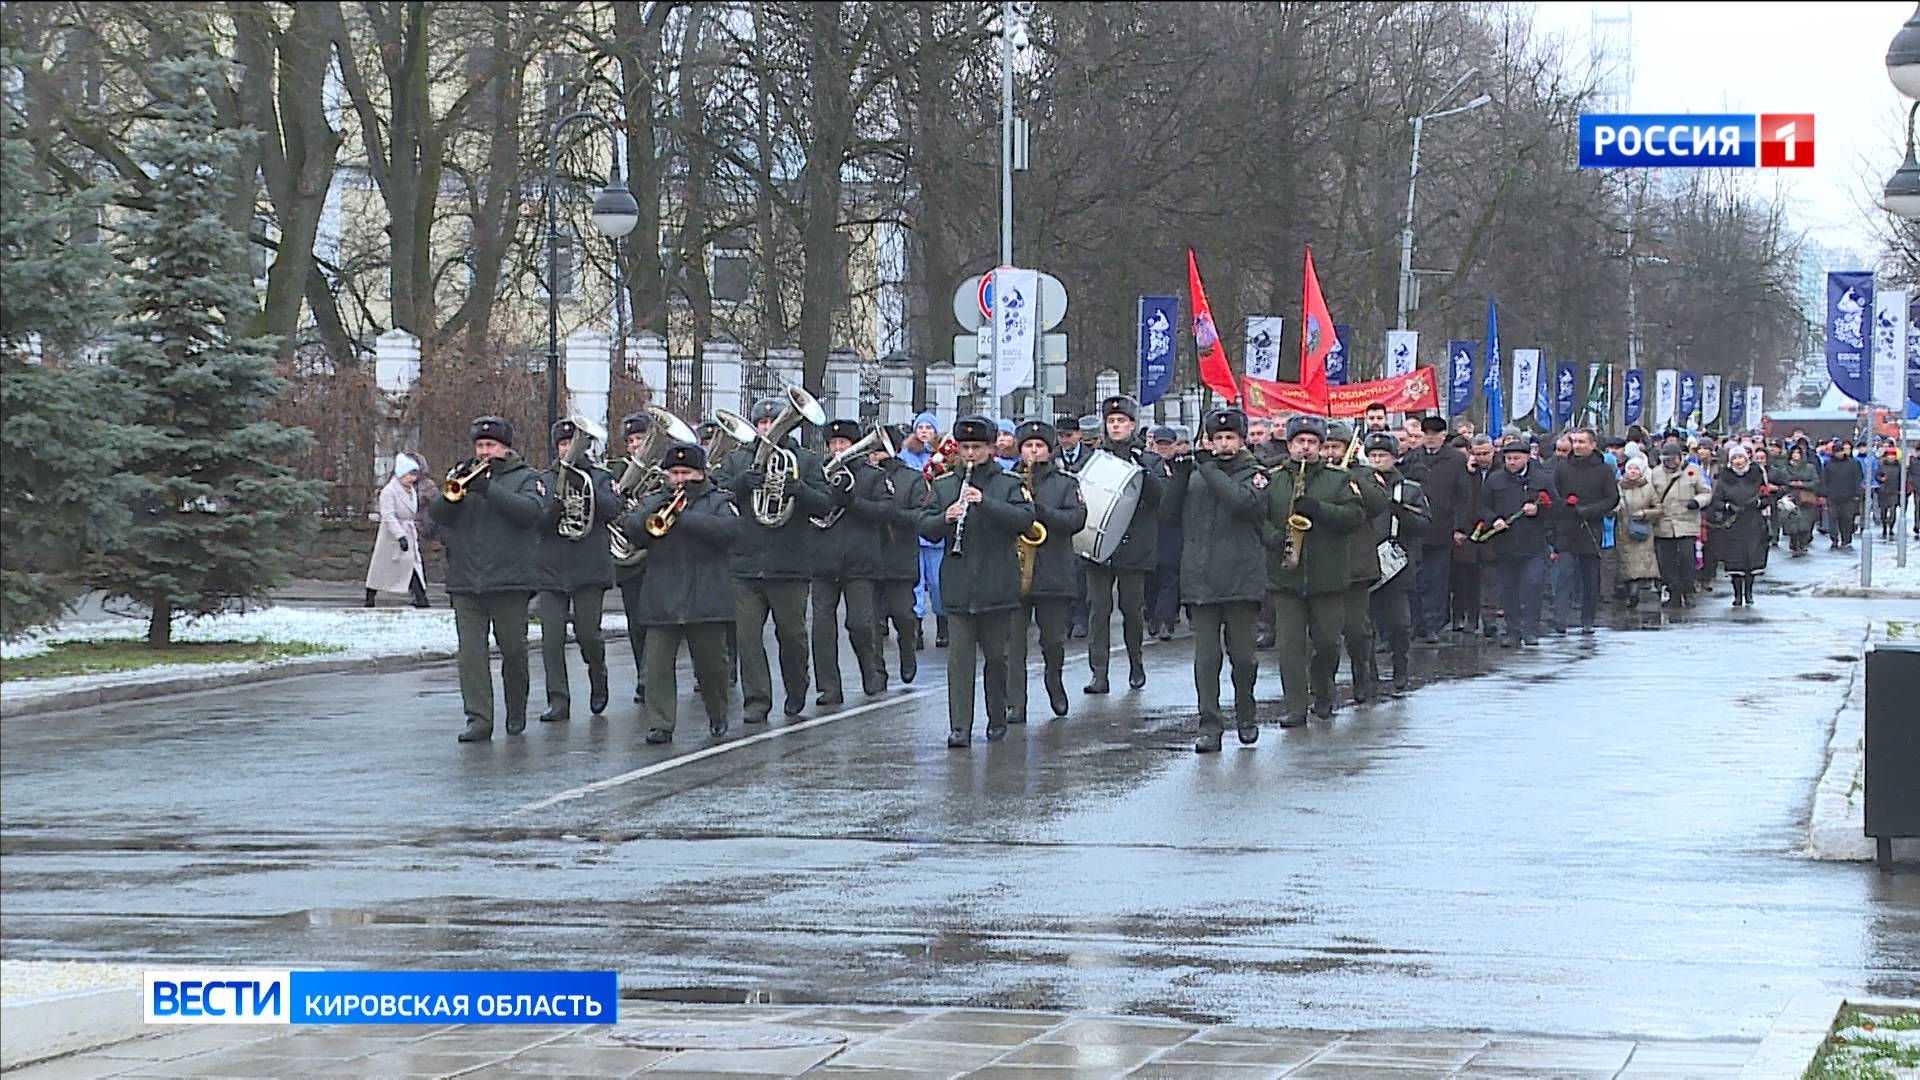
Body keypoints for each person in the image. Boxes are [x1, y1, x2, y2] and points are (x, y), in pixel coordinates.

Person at [714, 397, 834, 723]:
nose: (768, 428)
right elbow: (716, 497)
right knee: (748, 637)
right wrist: (741, 484)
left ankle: (797, 687)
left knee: (792, 636)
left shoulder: (806, 461)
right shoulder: (738, 460)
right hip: (745, 562)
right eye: (763, 423)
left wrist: (799, 489)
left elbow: (825, 505)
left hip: (789, 564)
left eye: (774, 422)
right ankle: (757, 700)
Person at [917, 416, 1035, 747]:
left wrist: (985, 502)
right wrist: (945, 517)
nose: (970, 454)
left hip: (997, 583)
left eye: (977, 448)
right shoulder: (942, 486)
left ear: (990, 449)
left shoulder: (1008, 484)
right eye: (965, 448)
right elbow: (923, 525)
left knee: (997, 658)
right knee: (960, 662)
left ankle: (997, 716)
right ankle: (959, 727)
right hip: (957, 584)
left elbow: (1025, 520)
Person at [428, 416, 546, 742]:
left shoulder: (527, 478)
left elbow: (530, 513)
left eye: (490, 446)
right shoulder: (462, 473)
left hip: (509, 580)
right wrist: (457, 491)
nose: (484, 452)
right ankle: (478, 719)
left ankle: (516, 708)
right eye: (480, 446)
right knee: (471, 653)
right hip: (466, 579)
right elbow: (437, 515)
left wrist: (489, 489)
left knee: (513, 649)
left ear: (505, 448)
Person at [1164, 407, 1270, 752]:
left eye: (1230, 438)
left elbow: (1239, 503)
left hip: (1241, 578)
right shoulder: (1198, 475)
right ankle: (1209, 725)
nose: (1223, 444)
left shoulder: (1255, 474)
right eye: (1217, 438)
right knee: (1206, 659)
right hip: (1200, 579)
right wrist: (1179, 476)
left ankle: (1246, 714)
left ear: (1241, 441)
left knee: (1243, 656)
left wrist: (1207, 469)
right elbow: (1167, 516)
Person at [622, 443, 740, 742]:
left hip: (706, 596)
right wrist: (657, 512)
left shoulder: (718, 500)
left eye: (685, 473)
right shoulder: (656, 500)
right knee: (657, 667)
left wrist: (684, 518)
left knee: (712, 666)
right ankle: (660, 724)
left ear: (700, 473)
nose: (679, 479)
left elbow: (729, 533)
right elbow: (633, 528)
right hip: (662, 596)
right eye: (673, 473)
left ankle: (717, 713)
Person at [1265, 416, 1366, 726]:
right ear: (1289, 445)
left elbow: (1355, 516)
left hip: (1328, 576)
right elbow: (1259, 517)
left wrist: (1320, 510)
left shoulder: (1338, 480)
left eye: (1311, 443)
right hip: (1286, 576)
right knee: (1290, 647)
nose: (1305, 448)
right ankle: (1295, 706)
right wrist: (1274, 537)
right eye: (1299, 442)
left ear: (1321, 447)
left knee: (1327, 643)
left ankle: (1323, 691)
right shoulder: (1273, 478)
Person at [533, 419, 621, 721]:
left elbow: (614, 508)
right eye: (562, 444)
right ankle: (558, 700)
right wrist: (551, 511)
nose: (567, 449)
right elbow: (535, 521)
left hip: (588, 567)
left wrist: (590, 498)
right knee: (551, 639)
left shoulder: (599, 477)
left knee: (588, 635)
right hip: (551, 568)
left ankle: (598, 672)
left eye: (573, 443)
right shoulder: (543, 479)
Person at [1005, 421, 1088, 726]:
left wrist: (1039, 511)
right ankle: (1015, 702)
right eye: (1028, 446)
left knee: (1052, 640)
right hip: (1013, 571)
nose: (1033, 451)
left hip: (1053, 571)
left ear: (1049, 450)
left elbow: (1076, 519)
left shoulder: (1065, 483)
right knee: (1013, 643)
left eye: (1039, 446)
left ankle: (1054, 680)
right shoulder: (1008, 480)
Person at [1083, 395, 1167, 695]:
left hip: (1134, 545)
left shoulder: (1149, 458)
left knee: (1132, 609)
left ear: (1133, 425)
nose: (1116, 426)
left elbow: (1162, 498)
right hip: (1098, 545)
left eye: (1122, 421)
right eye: (1112, 421)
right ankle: (1099, 673)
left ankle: (1135, 663)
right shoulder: (1093, 457)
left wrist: (1141, 466)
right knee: (1098, 610)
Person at [810, 419, 890, 703]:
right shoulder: (819, 473)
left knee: (860, 623)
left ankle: (871, 671)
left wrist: (852, 502)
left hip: (860, 561)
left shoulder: (871, 476)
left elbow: (885, 511)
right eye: (833, 444)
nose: (837, 448)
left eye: (843, 443)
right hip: (823, 560)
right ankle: (829, 687)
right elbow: (810, 508)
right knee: (821, 627)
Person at [1364, 432, 1430, 692]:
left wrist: (1403, 514)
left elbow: (1424, 524)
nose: (1378, 460)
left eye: (1383, 455)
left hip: (1396, 563)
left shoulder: (1410, 489)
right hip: (1365, 561)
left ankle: (1400, 667)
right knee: (1364, 626)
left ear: (1394, 458)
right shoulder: (1358, 485)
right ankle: (1368, 673)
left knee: (1400, 623)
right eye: (1373, 456)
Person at [1396, 415, 1472, 642]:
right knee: (1414, 579)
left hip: (1442, 527)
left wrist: (1459, 527)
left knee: (1437, 579)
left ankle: (1432, 624)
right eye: (1426, 434)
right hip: (1415, 528)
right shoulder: (1413, 458)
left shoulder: (1456, 460)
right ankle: (1415, 623)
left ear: (1443, 436)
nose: (1430, 439)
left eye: (1435, 435)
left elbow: (1463, 496)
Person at [1479, 436, 1557, 647]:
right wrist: (1493, 520)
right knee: (1508, 589)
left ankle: (1531, 629)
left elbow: (1555, 507)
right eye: (1508, 458)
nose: (1512, 462)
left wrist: (1539, 509)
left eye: (1516, 458)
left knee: (1532, 586)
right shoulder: (1495, 480)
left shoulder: (1540, 479)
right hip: (1505, 545)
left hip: (1533, 545)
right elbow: (1484, 506)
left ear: (1526, 458)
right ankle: (1513, 631)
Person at [1324, 423, 1382, 702]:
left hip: (1356, 564)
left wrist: (1350, 478)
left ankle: (1364, 677)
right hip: (1324, 563)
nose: (1330, 453)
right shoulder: (1312, 475)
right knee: (1325, 635)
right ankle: (1324, 688)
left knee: (1357, 630)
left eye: (1336, 447)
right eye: (1327, 447)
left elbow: (1377, 505)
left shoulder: (1365, 474)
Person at [1550, 428, 1620, 635]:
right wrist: (1564, 508)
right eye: (1575, 441)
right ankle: (1560, 618)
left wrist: (1590, 510)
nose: (1577, 445)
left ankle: (1588, 619)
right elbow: (1554, 493)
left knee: (1590, 578)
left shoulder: (1604, 470)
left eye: (1582, 442)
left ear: (1593, 444)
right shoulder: (1562, 468)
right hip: (1567, 528)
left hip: (1591, 528)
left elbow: (1611, 498)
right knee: (1565, 574)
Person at [872, 424, 926, 686]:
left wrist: (892, 514)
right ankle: (876, 671)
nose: (874, 455)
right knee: (869, 621)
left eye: (879, 449)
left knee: (903, 615)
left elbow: (921, 515)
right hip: (867, 558)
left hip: (899, 557)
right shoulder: (862, 475)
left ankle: (908, 651)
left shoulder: (911, 478)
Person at [613, 413, 653, 703]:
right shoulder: (616, 472)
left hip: (661, 557)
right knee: (637, 623)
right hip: (630, 558)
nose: (636, 445)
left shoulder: (666, 470)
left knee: (662, 624)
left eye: (641, 439)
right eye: (631, 441)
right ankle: (644, 677)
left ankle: (657, 676)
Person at [900, 411, 945, 648]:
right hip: (913, 531)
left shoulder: (945, 455)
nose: (925, 431)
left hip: (936, 530)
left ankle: (942, 622)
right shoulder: (906, 456)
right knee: (915, 581)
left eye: (929, 427)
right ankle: (915, 626)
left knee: (938, 581)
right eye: (921, 427)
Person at [1647, 440, 1711, 608]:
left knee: (1686, 558)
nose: (1670, 462)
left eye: (1673, 459)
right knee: (1666, 562)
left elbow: (1706, 492)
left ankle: (1688, 590)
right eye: (1666, 459)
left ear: (1680, 457)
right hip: (1664, 523)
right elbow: (1650, 496)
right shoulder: (1655, 474)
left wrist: (1697, 502)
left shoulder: (1693, 471)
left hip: (1687, 522)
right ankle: (1673, 592)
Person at [1708, 444, 1772, 608]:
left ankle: (1749, 592)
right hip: (1733, 524)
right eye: (1735, 458)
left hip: (1753, 522)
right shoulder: (1725, 478)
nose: (1738, 461)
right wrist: (1728, 507)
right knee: (1735, 561)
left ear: (1747, 459)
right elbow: (1716, 501)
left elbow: (1766, 497)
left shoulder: (1756, 475)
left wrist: (1758, 503)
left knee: (1751, 560)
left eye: (1741, 458)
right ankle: (1737, 594)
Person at [366, 452, 431, 609]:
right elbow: (388, 515)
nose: (413, 478)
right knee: (381, 569)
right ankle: (370, 595)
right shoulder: (389, 491)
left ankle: (420, 596)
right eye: (411, 474)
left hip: (408, 530)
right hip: (391, 536)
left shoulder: (411, 490)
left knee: (412, 565)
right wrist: (399, 535)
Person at [1451, 435, 1496, 635]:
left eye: (1486, 453)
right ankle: (1470, 618)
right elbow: (1459, 501)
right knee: (1468, 578)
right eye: (1477, 454)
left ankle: (1489, 620)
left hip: (1494, 530)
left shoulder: (1502, 470)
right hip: (1469, 530)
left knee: (1490, 579)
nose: (1482, 458)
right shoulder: (1465, 473)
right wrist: (1458, 528)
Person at [1145, 426, 1184, 640]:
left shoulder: (1181, 467)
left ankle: (1164, 620)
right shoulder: (1148, 464)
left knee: (1170, 576)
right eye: (1159, 445)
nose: (1163, 449)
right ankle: (1152, 615)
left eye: (1167, 445)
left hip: (1173, 527)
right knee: (1151, 577)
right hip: (1151, 526)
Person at [1614, 457, 1661, 608]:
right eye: (1630, 468)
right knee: (1626, 563)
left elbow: (1658, 508)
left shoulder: (1648, 488)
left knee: (1640, 563)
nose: (1632, 472)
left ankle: (1635, 592)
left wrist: (1645, 513)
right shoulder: (1619, 488)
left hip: (1642, 530)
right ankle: (1630, 592)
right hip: (1623, 529)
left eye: (1636, 469)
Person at [1778, 443, 1820, 556]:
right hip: (1791, 498)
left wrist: (1802, 484)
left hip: (1806, 498)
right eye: (1794, 453)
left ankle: (1802, 544)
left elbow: (1816, 481)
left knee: (1805, 524)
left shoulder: (1809, 467)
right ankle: (1794, 545)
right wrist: (1790, 484)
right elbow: (1782, 481)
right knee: (1792, 524)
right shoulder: (1785, 468)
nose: (1796, 455)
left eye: (1798, 453)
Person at [1822, 439, 1864, 551]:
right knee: (1833, 519)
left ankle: (1846, 539)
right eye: (1837, 452)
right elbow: (1825, 479)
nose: (1839, 454)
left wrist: (1857, 493)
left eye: (1841, 451)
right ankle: (1834, 539)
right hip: (1833, 496)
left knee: (1847, 519)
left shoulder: (1853, 463)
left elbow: (1858, 479)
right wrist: (1824, 493)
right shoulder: (1828, 464)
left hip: (1849, 496)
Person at [1875, 447, 1903, 541]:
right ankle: (1884, 527)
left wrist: (1901, 490)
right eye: (1889, 456)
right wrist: (1880, 479)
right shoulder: (1882, 466)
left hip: (1894, 492)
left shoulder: (1899, 467)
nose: (1891, 457)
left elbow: (1902, 479)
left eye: (1893, 456)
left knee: (1893, 511)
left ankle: (1891, 527)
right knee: (1883, 511)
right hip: (1883, 492)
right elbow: (1877, 475)